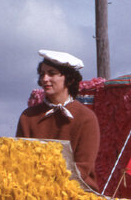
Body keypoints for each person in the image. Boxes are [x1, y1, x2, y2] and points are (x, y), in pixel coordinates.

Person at [16, 50, 100, 191]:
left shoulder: (86, 118)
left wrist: (49, 186)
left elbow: (82, 168)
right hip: (33, 192)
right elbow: (20, 160)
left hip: (78, 194)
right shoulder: (28, 117)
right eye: (42, 74)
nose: (45, 79)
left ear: (70, 79)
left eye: (52, 73)